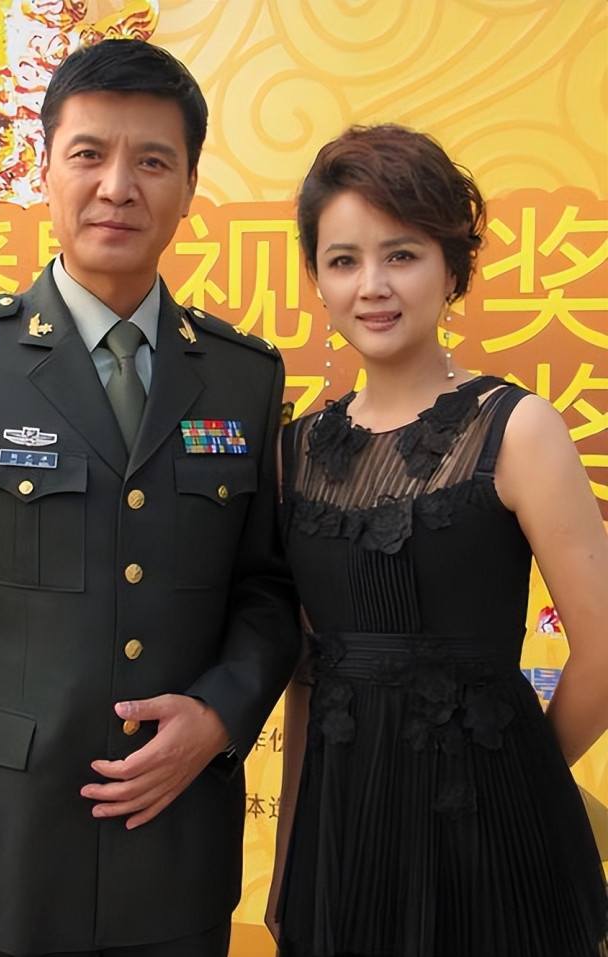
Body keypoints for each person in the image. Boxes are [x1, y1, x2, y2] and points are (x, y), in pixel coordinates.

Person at [0, 38, 299, 957]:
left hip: (178, 851)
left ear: (189, 187)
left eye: (152, 161)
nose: (118, 186)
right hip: (1, 859)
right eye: (89, 154)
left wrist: (221, 714)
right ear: (44, 172)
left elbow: (267, 589)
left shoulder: (243, 376)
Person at [266, 124, 608, 957]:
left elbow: (604, 648)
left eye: (402, 254)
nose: (372, 285)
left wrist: (514, 778)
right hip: (344, 841)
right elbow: (309, 675)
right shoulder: (294, 450)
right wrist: (290, 858)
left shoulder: (517, 428)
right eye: (343, 260)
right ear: (317, 278)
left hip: (492, 838)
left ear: (452, 267)